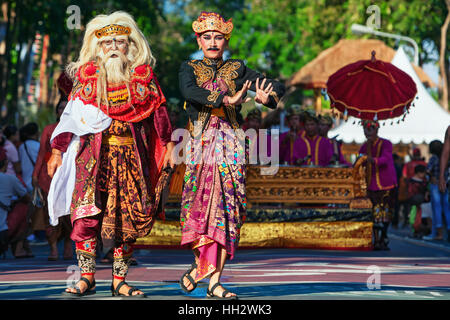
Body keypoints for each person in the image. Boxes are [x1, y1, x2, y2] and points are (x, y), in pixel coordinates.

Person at [47, 11, 175, 297]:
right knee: (86, 218)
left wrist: (168, 147)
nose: (114, 47)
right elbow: (70, 119)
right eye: (108, 43)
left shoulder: (144, 81)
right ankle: (87, 278)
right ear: (98, 48)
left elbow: (161, 114)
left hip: (132, 160)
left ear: (131, 46)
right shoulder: (86, 81)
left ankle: (119, 281)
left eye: (120, 42)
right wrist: (56, 151)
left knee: (126, 221)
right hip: (92, 160)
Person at [178, 11, 285, 299]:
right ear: (199, 40)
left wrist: (268, 98)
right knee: (202, 208)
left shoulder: (237, 69)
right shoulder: (188, 68)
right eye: (207, 37)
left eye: (219, 37)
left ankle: (213, 281)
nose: (213, 42)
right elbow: (189, 93)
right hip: (202, 144)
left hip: (231, 145)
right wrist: (227, 99)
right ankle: (204, 269)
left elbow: (275, 85)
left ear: (226, 41)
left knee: (228, 209)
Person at [32, 73, 73, 261]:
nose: (63, 111)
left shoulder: (75, 128)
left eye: (66, 108)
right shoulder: (49, 129)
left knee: (68, 216)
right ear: (57, 112)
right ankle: (53, 249)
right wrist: (35, 176)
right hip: (48, 177)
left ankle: (66, 245)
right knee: (51, 214)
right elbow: (42, 153)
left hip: (70, 175)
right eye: (60, 108)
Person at [359, 120, 397, 250]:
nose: (367, 132)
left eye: (370, 129)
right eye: (365, 129)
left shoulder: (386, 144)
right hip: (370, 184)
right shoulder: (364, 147)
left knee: (386, 212)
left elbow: (385, 159)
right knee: (373, 213)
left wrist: (372, 160)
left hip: (386, 183)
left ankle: (383, 237)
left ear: (377, 130)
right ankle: (376, 239)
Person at [0, 147, 30, 258]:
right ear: (6, 163)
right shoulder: (10, 179)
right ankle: (18, 247)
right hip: (2, 235)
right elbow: (27, 198)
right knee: (25, 206)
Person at [427, 139, 450, 241]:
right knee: (447, 208)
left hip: (435, 184)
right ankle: (448, 230)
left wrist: (431, 177)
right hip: (446, 184)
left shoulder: (433, 158)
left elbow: (427, 171)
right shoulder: (447, 158)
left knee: (437, 209)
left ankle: (439, 233)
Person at [406, 164, 431, 238]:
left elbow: (427, 189)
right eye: (423, 173)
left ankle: (422, 231)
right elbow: (409, 192)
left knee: (423, 218)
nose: (424, 175)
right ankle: (415, 231)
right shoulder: (412, 181)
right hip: (414, 203)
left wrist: (427, 193)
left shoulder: (424, 182)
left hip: (422, 204)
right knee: (413, 218)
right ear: (418, 173)